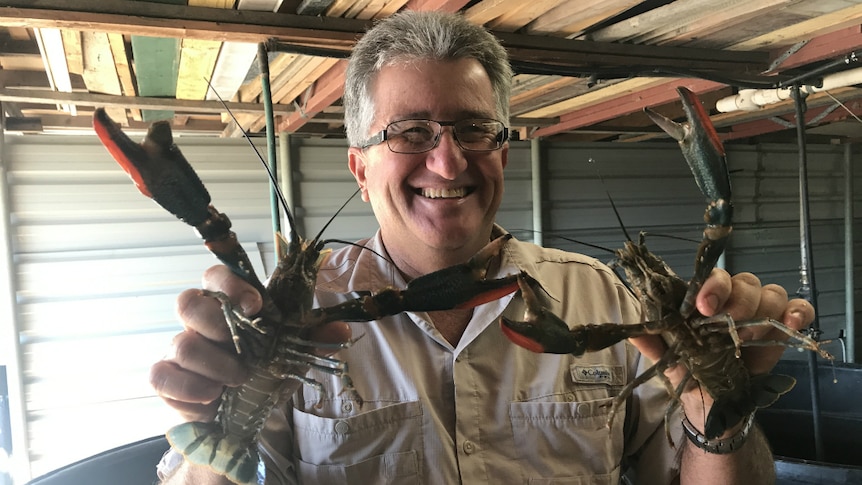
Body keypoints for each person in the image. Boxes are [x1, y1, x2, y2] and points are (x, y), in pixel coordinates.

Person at [152, 11, 815, 484]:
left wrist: (717, 413)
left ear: (503, 147)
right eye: (410, 132)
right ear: (359, 168)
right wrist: (213, 420)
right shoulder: (275, 315)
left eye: (475, 129)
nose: (447, 162)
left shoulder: (609, 298)